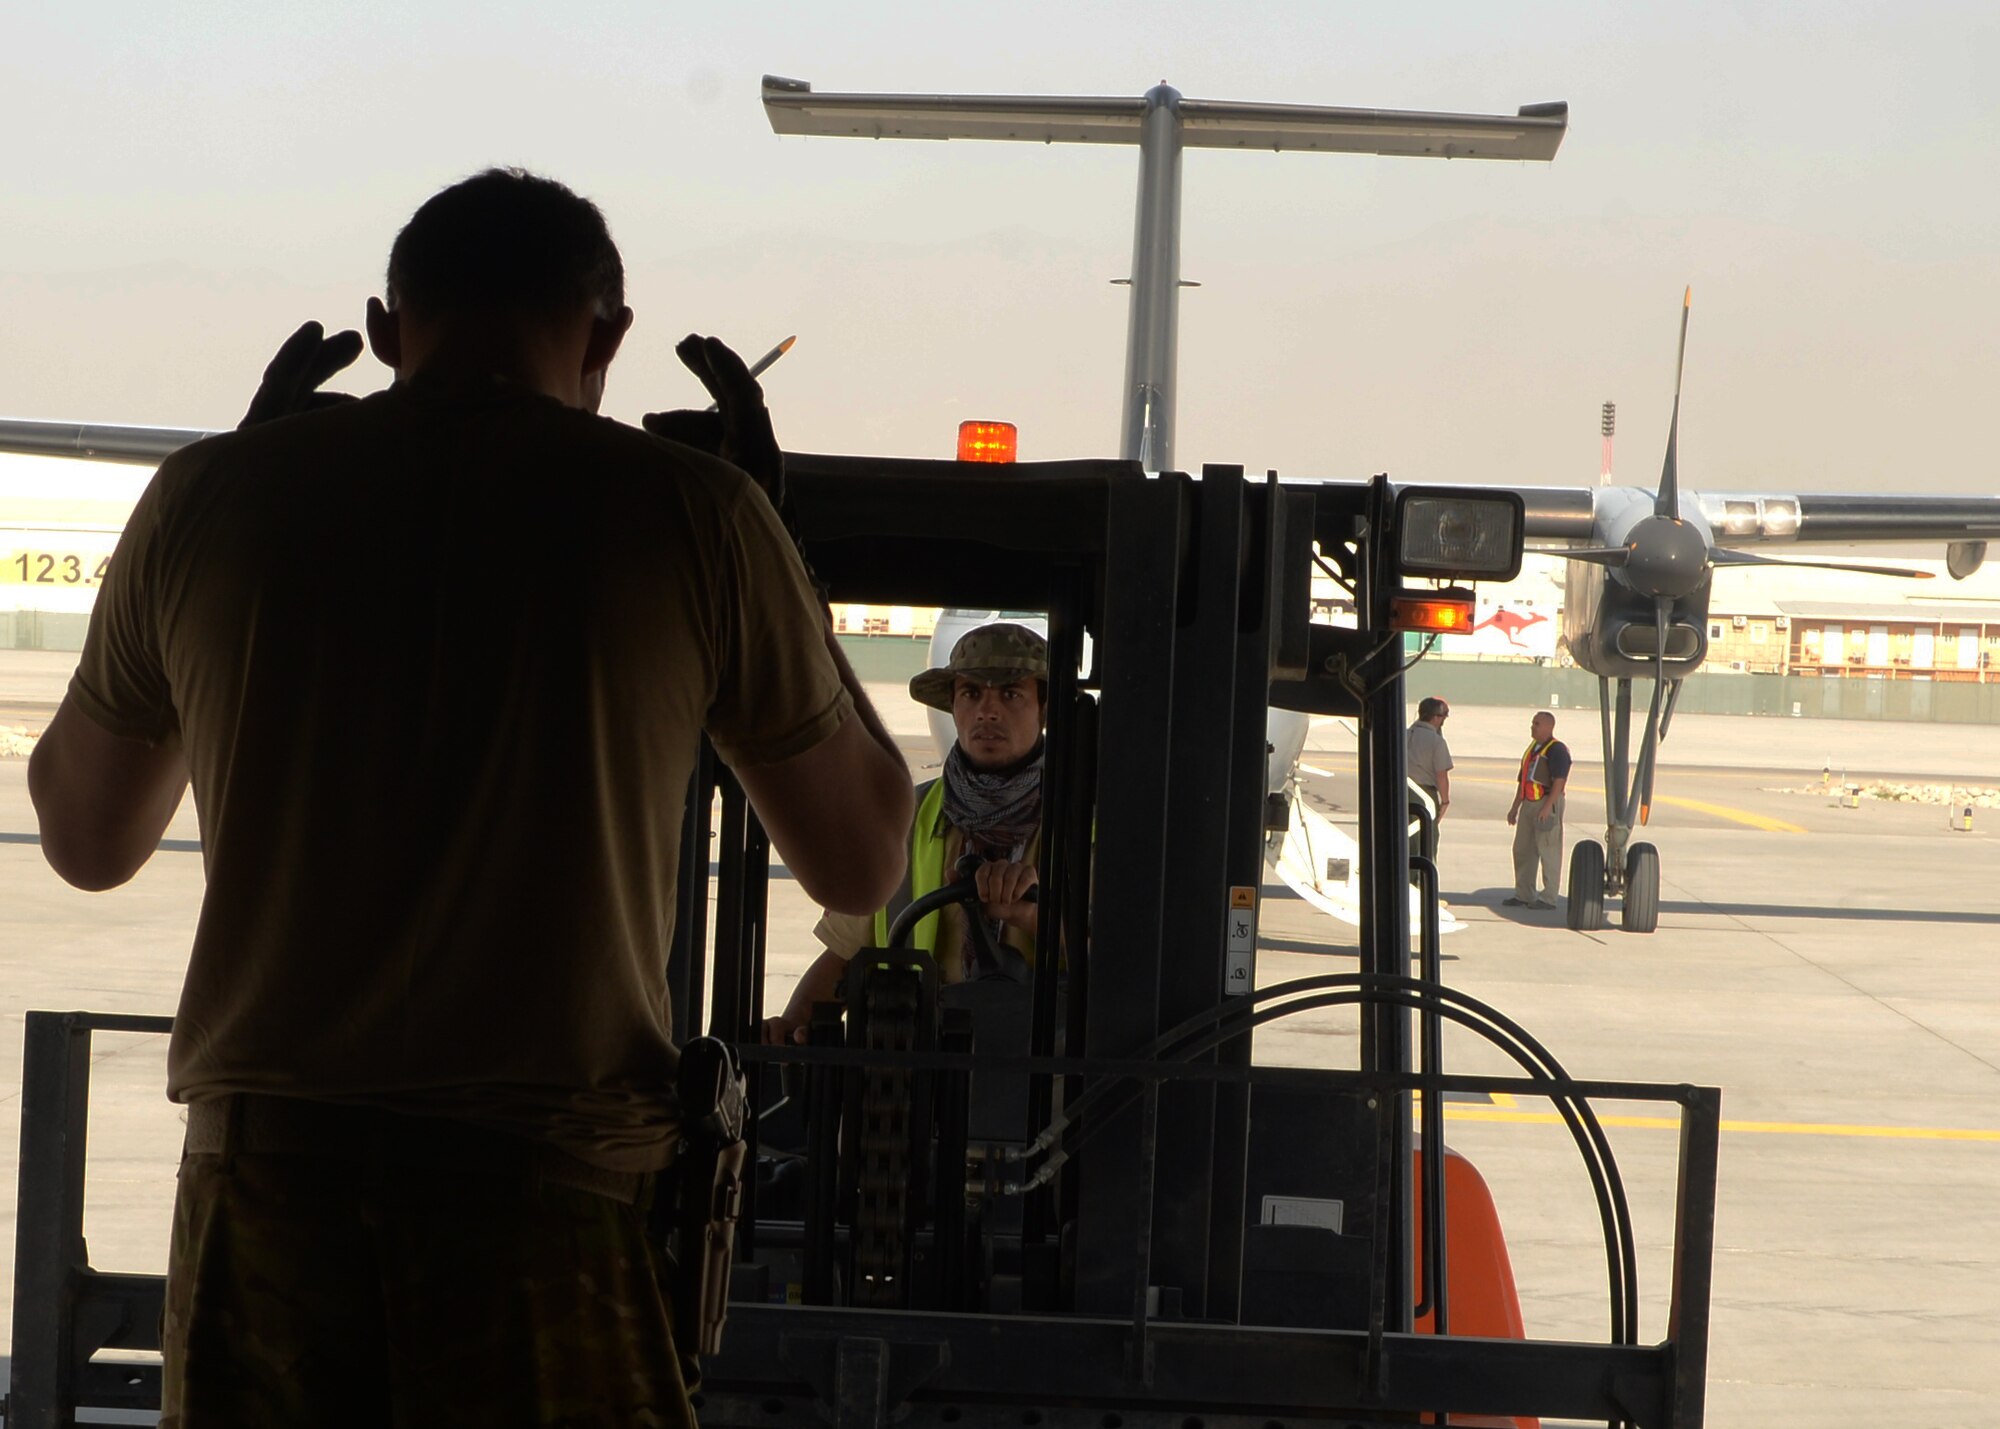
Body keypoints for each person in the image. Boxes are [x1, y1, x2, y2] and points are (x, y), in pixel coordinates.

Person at [27, 168, 914, 1426]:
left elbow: (83, 835)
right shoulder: (690, 516)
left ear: (386, 332)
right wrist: (782, 554)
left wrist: (225, 507)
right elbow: (863, 859)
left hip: (267, 1197)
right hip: (542, 1204)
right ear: (605, 335)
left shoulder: (208, 500)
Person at [765, 622, 1050, 1045]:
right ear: (953, 706)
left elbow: (1125, 970)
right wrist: (793, 1023)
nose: (987, 711)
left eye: (1010, 694)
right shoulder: (901, 815)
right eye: (971, 694)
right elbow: (845, 955)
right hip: (911, 1068)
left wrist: (1028, 916)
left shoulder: (1089, 825)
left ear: (1044, 710)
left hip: (1043, 1071)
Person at [1505, 709, 1571, 909]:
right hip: (1529, 803)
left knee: (1548, 850)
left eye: (1537, 724)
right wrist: (1515, 807)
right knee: (1522, 849)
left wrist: (1547, 807)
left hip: (1545, 803)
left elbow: (1560, 781)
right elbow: (1522, 780)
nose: (1532, 727)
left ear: (1549, 727)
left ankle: (1548, 897)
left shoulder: (1557, 749)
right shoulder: (1533, 748)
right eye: (1533, 723)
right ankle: (1524, 893)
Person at [1406, 695, 1453, 862]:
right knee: (1426, 841)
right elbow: (1441, 775)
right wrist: (1445, 801)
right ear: (1435, 717)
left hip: (1400, 792)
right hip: (1423, 795)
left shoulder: (1403, 735)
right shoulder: (1436, 741)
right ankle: (1420, 882)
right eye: (1443, 716)